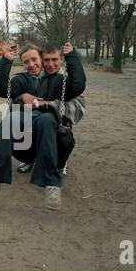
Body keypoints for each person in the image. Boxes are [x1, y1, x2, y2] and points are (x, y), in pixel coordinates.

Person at [0, 42, 86, 210]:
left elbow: (77, 86)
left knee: (45, 120)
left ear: (40, 59)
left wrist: (71, 56)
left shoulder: (58, 79)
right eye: (26, 62)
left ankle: (51, 184)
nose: (32, 64)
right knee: (9, 121)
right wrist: (5, 61)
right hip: (24, 121)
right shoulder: (21, 79)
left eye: (35, 59)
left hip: (47, 121)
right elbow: (1, 89)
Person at [17, 43, 86, 176]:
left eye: (54, 59)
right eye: (46, 60)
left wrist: (46, 104)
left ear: (61, 59)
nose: (50, 64)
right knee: (14, 131)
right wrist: (22, 95)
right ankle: (30, 159)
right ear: (41, 59)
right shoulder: (33, 77)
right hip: (33, 123)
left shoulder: (66, 80)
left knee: (62, 139)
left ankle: (60, 163)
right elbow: (15, 98)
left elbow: (77, 107)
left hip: (57, 125)